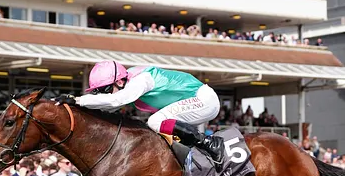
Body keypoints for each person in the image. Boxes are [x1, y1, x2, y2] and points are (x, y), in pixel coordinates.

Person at [55, 61, 224, 166]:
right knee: (157, 125)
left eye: (105, 90)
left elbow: (115, 100)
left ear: (119, 81)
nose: (103, 95)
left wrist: (78, 100)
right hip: (196, 102)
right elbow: (109, 106)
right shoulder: (127, 83)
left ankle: (209, 143)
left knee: (155, 121)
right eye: (98, 92)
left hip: (204, 100)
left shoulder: (141, 80)